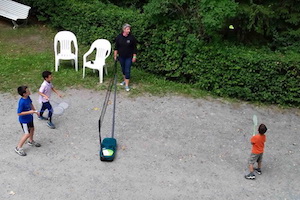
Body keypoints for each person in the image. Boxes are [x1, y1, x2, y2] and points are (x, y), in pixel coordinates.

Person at [15, 86, 41, 156]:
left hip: (30, 118)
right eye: (27, 91)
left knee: (32, 129)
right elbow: (19, 113)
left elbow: (30, 104)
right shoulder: (22, 102)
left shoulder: (28, 97)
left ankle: (31, 141)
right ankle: (18, 148)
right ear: (24, 94)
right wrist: (30, 112)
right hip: (24, 121)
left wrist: (35, 111)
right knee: (27, 134)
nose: (29, 91)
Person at [114, 23, 137, 92]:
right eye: (127, 29)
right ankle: (124, 80)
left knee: (127, 70)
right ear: (124, 30)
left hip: (129, 57)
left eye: (129, 29)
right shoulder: (119, 37)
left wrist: (134, 56)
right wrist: (115, 55)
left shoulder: (131, 38)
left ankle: (127, 85)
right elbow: (116, 47)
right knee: (123, 69)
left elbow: (134, 48)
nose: (129, 30)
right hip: (121, 56)